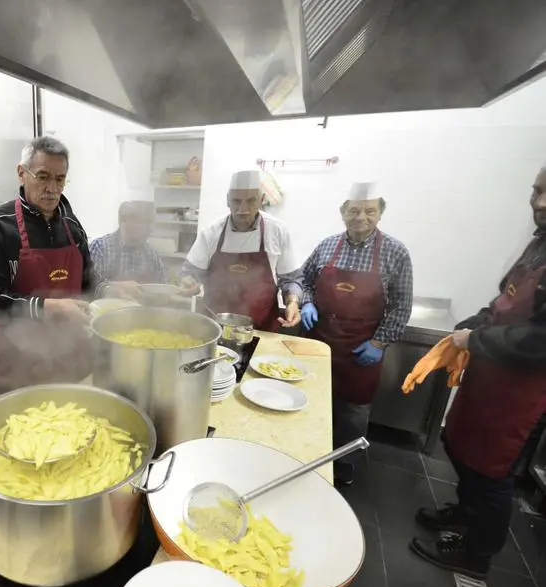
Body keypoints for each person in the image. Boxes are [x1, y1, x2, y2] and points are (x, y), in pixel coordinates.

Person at [410, 167, 546, 579]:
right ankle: (465, 516)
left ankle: (477, 554)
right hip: (489, 380)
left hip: (518, 392)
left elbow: (540, 342)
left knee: (492, 473)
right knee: (461, 447)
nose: (539, 202)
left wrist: (477, 341)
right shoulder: (538, 245)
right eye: (537, 189)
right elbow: (506, 303)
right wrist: (474, 322)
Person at [0, 136, 136, 389]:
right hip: (21, 365)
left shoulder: (72, 226)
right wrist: (51, 307)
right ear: (22, 173)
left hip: (74, 359)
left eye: (60, 179)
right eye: (42, 176)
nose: (52, 188)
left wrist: (110, 289)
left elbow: (88, 281)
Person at [300, 182, 413, 486]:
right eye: (354, 210)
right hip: (320, 339)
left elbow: (402, 305)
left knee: (353, 409)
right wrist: (308, 302)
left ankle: (345, 463)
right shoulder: (326, 246)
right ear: (343, 213)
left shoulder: (395, 252)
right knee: (310, 400)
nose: (361, 216)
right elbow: (303, 279)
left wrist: (379, 342)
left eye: (369, 210)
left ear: (380, 213)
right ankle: (306, 455)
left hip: (361, 345)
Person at [180, 170, 302, 330]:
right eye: (236, 201)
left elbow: (291, 279)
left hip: (261, 329)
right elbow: (190, 272)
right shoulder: (211, 233)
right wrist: (188, 283)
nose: (242, 209)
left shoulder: (277, 231)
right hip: (214, 328)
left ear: (261, 200)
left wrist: (292, 302)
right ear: (227, 201)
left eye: (251, 201)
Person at [89, 200, 167, 284]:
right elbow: (89, 286)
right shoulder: (100, 248)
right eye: (142, 221)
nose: (148, 228)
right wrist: (116, 287)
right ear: (122, 221)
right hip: (108, 297)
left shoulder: (152, 255)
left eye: (150, 223)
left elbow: (162, 286)